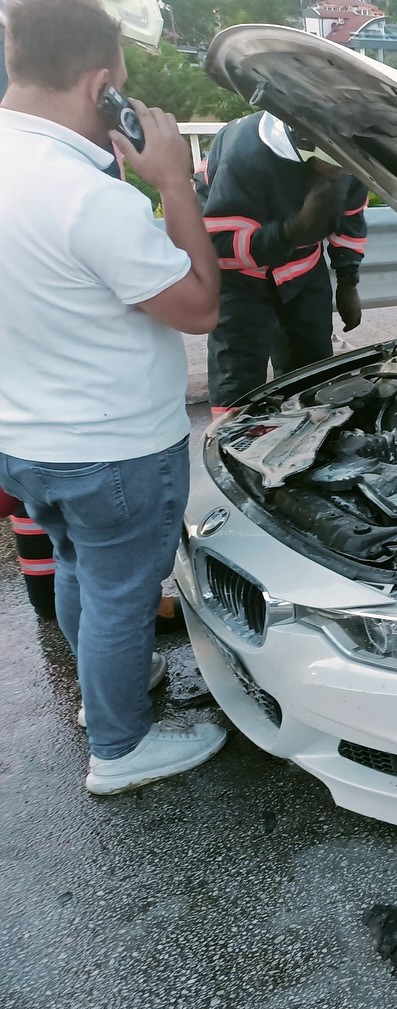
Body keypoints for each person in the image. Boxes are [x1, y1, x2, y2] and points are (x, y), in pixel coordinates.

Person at [0, 0, 226, 794]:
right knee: (125, 597)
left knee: (76, 568)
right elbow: (199, 304)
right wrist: (172, 183)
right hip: (115, 450)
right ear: (103, 86)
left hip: (25, 442)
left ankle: (107, 703)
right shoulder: (88, 198)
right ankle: (122, 751)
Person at [196, 110, 369, 414]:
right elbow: (218, 245)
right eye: (338, 164)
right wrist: (292, 231)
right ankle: (237, 452)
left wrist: (347, 281)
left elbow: (351, 218)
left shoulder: (350, 156)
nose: (342, 173)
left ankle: (306, 441)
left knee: (313, 377)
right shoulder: (244, 159)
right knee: (238, 383)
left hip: (303, 270)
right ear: (304, 145)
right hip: (239, 279)